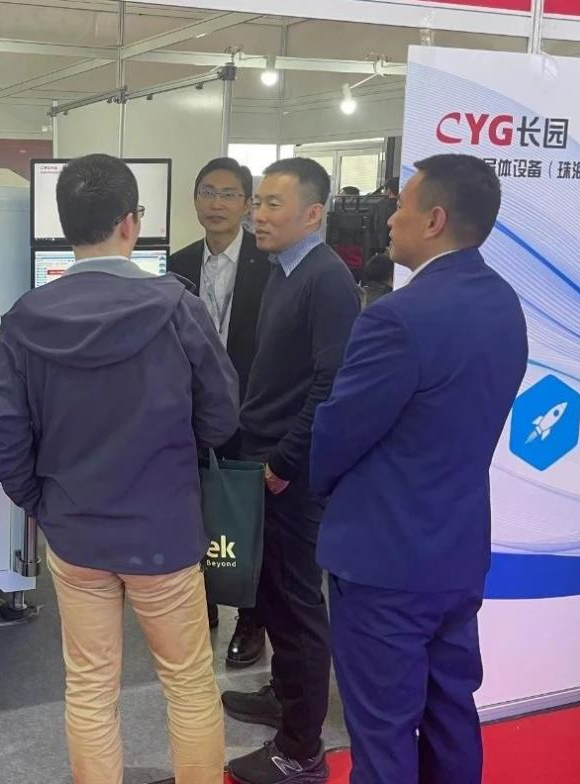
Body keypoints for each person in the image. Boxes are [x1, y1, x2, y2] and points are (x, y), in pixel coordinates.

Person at [0, 153, 240, 784]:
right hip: (163, 530)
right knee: (188, 683)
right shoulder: (177, 308)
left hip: (75, 533)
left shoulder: (23, 320)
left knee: (90, 686)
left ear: (66, 224)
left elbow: (4, 439)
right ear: (131, 222)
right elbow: (222, 415)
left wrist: (43, 502)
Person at [310, 154, 528, 784]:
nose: (389, 219)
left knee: (382, 732)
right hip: (457, 550)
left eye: (401, 206)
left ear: (433, 219)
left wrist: (319, 489)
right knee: (450, 712)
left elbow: (339, 431)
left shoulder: (396, 318)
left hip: (383, 561)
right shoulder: (503, 302)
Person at [222, 157, 361, 784]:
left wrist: (284, 459)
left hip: (290, 468)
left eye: (273, 204)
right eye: (258, 202)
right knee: (274, 592)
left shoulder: (326, 280)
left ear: (313, 213)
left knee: (299, 601)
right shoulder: (284, 271)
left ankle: (302, 749)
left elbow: (333, 384)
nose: (258, 214)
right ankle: (283, 695)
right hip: (266, 453)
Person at [168, 157, 272, 636]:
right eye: (207, 192)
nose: (217, 203)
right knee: (195, 512)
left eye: (229, 194)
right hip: (192, 412)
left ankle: (251, 621)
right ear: (194, 200)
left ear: (247, 204)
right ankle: (203, 604)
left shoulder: (269, 263)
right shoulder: (177, 265)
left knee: (248, 517)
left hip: (252, 410)